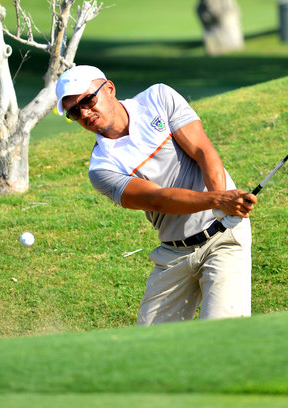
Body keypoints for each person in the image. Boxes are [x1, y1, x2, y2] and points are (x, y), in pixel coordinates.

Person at [55, 65, 257, 325]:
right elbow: (159, 199)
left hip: (224, 238)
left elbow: (203, 151)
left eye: (87, 100)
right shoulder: (102, 167)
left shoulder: (158, 99)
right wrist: (219, 200)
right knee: (151, 343)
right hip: (173, 255)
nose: (84, 113)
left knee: (223, 332)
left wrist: (222, 207)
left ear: (110, 89)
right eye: (74, 111)